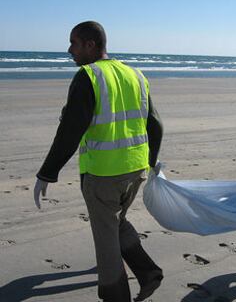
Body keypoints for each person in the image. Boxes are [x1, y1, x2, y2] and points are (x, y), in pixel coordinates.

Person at [33, 21, 164, 302]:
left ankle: (117, 297)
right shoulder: (135, 74)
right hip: (136, 170)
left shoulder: (88, 76)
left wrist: (47, 173)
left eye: (74, 43)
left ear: (91, 45)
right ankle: (148, 272)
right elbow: (156, 124)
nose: (69, 50)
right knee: (116, 224)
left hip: (103, 174)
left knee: (106, 246)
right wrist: (151, 163)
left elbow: (70, 130)